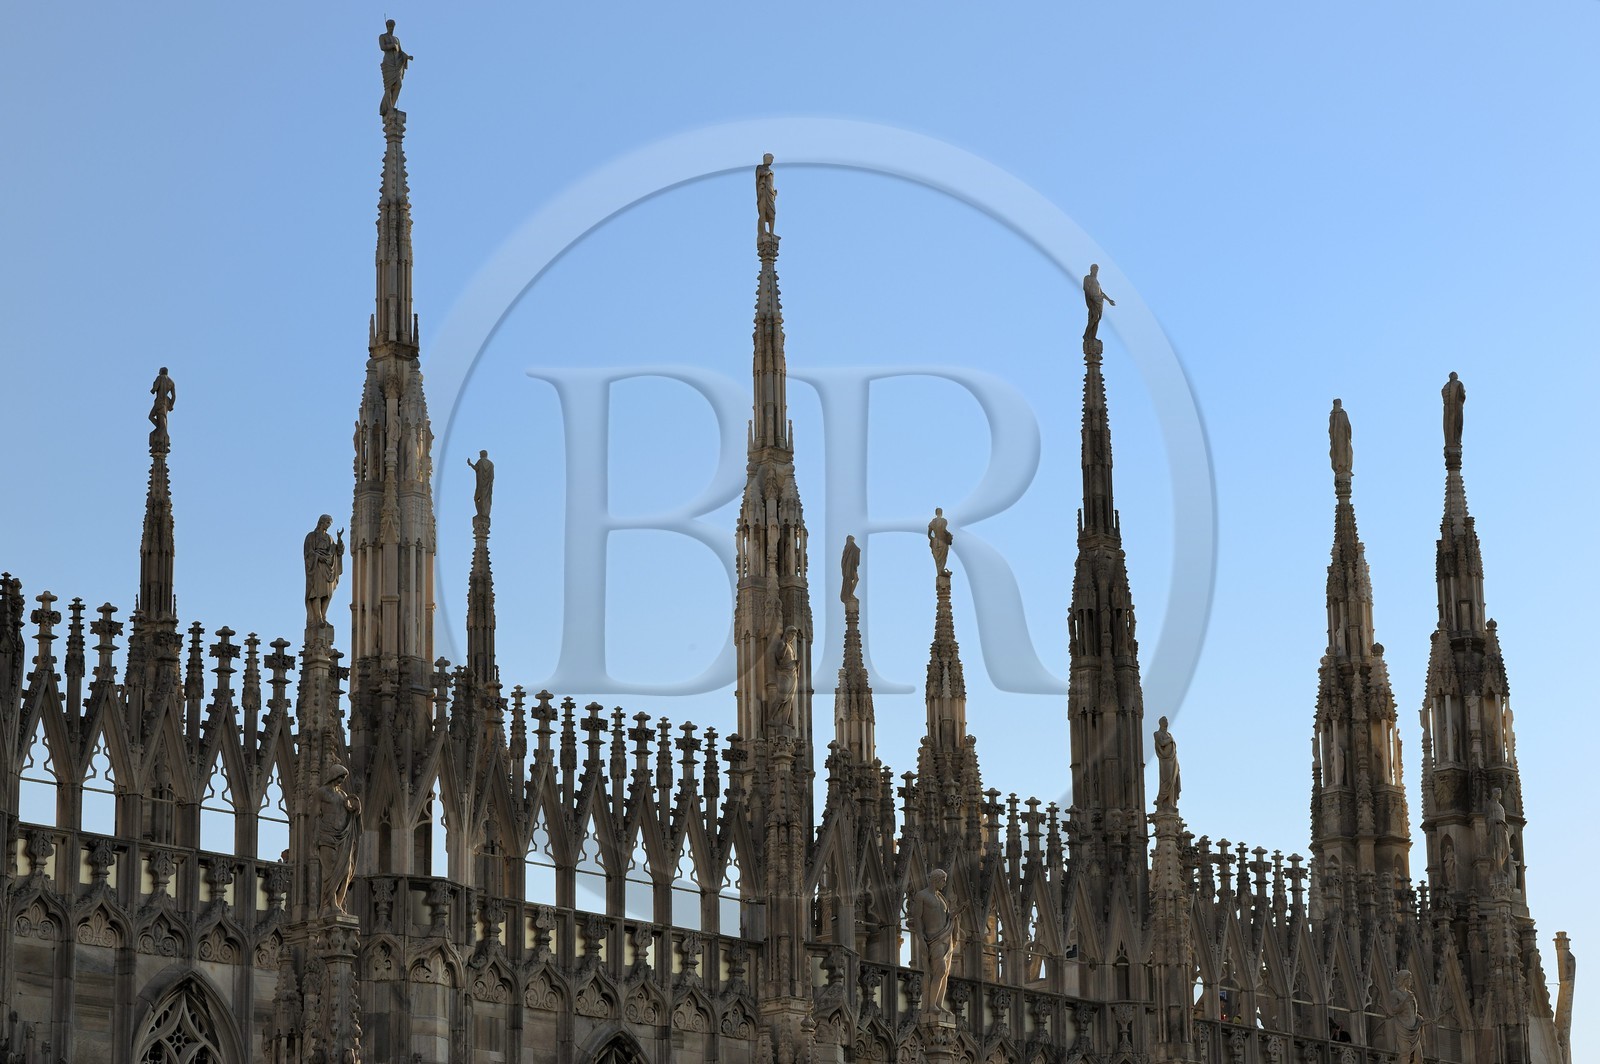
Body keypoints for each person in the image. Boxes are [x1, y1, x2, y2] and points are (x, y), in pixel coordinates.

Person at [316, 762, 363, 916]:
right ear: (333, 775)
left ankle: (339, 903)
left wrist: (356, 811)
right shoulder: (321, 793)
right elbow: (314, 817)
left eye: (344, 777)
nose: (342, 780)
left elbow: (349, 812)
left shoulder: (343, 795)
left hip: (343, 837)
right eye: (340, 776)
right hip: (327, 837)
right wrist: (313, 840)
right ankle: (328, 905)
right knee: (329, 874)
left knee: (346, 871)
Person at [909, 870, 955, 1018]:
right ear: (936, 879)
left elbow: (947, 917)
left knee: (945, 973)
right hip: (933, 939)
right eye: (943, 880)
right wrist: (921, 939)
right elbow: (917, 918)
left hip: (946, 938)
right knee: (939, 969)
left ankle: (938, 1004)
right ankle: (931, 1005)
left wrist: (957, 912)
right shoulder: (922, 896)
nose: (945, 883)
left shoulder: (941, 898)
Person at [304, 515, 345, 627]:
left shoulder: (329, 538)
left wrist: (339, 539)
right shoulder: (311, 536)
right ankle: (318, 618)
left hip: (328, 567)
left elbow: (337, 551)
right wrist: (318, 556)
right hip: (317, 566)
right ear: (321, 522)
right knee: (317, 593)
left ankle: (324, 616)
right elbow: (308, 552)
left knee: (328, 594)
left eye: (329, 524)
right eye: (327, 523)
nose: (328, 526)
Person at [379, 19, 413, 117]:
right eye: (389, 26)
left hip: (397, 63)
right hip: (388, 62)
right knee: (388, 86)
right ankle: (388, 108)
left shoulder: (396, 39)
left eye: (392, 27)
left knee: (398, 84)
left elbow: (400, 51)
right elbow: (382, 47)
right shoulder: (382, 36)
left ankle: (392, 105)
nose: (391, 28)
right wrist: (391, 45)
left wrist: (407, 56)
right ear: (387, 27)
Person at [1082, 263, 1116, 345]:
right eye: (1094, 269)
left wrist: (1109, 300)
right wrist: (1089, 301)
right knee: (1094, 317)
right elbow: (1086, 289)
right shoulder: (1088, 278)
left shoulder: (1097, 282)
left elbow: (1101, 293)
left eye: (1097, 269)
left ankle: (1093, 336)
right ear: (1091, 269)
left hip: (1099, 302)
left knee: (1098, 320)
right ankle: (1086, 334)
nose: (1096, 271)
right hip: (1092, 300)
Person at [1154, 716, 1181, 811]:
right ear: (1160, 722)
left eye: (1167, 720)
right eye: (1165, 721)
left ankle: (1170, 804)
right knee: (1167, 781)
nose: (1167, 722)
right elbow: (1161, 743)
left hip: (1173, 759)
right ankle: (1160, 801)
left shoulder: (1169, 734)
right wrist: (1170, 740)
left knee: (1172, 781)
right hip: (1165, 760)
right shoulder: (1157, 734)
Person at [467, 449, 494, 521]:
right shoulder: (491, 464)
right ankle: (483, 513)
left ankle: (480, 513)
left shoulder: (480, 461)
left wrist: (470, 464)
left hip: (481, 485)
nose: (479, 456)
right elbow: (492, 477)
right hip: (487, 486)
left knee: (476, 498)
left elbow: (476, 468)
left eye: (480, 454)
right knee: (486, 499)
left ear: (482, 455)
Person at [756, 153, 777, 236]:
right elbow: (760, 174)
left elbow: (771, 183)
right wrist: (767, 172)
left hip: (770, 193)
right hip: (763, 192)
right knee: (763, 212)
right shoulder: (760, 167)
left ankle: (772, 233)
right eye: (771, 159)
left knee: (772, 213)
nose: (772, 161)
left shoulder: (771, 172)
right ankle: (763, 231)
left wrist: (773, 192)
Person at [927, 508, 952, 574]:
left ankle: (940, 571)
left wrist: (933, 540)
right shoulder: (944, 521)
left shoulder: (932, 522)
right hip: (942, 541)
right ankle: (941, 570)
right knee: (943, 557)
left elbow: (929, 535)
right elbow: (944, 530)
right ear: (941, 513)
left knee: (937, 559)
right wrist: (949, 535)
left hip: (935, 542)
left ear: (936, 513)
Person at [840, 535, 861, 604]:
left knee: (856, 579)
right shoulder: (850, 546)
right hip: (849, 568)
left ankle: (850, 594)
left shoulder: (847, 547)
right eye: (852, 540)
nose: (853, 541)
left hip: (851, 567)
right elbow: (857, 549)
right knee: (855, 579)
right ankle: (850, 594)